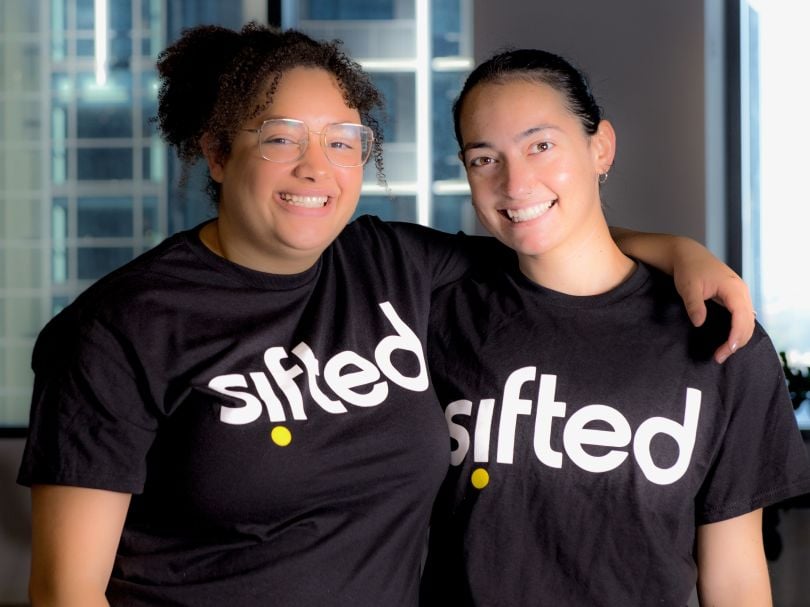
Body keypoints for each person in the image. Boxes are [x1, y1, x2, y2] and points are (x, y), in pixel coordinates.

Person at [18, 24, 755, 607]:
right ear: (215, 152)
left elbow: (537, 227)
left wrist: (679, 250)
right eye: (280, 138)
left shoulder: (393, 265)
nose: (317, 166)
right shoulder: (120, 327)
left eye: (343, 141)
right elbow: (63, 590)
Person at [419, 49, 810, 606]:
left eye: (541, 145)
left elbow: (736, 578)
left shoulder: (719, 337)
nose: (515, 182)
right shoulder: (435, 309)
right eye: (485, 158)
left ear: (600, 147)